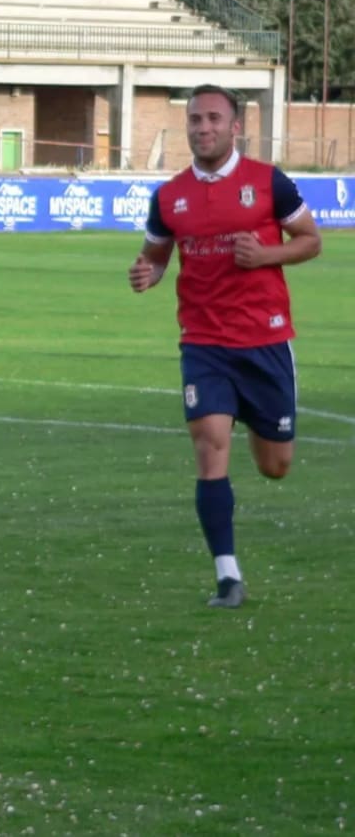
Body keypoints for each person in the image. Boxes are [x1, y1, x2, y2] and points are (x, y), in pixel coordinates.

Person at [128, 83, 321, 609]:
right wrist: (148, 273)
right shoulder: (169, 196)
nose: (203, 127)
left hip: (264, 339)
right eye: (195, 119)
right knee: (210, 445)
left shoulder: (268, 182)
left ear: (235, 127)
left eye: (213, 118)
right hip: (204, 342)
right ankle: (228, 576)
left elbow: (311, 240)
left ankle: (260, 423)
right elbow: (156, 255)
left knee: (275, 465)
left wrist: (265, 257)